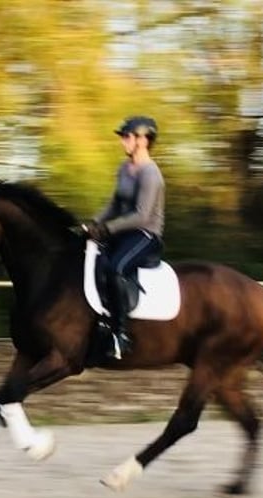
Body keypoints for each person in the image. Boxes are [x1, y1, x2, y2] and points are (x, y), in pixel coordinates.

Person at [82, 116, 165, 359]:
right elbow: (114, 203)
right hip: (123, 231)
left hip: (146, 234)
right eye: (123, 137)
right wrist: (94, 223)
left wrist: (106, 229)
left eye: (127, 137)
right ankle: (99, 322)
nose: (123, 142)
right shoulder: (124, 168)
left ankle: (120, 335)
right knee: (89, 259)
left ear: (143, 140)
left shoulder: (151, 174)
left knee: (116, 268)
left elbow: (141, 215)